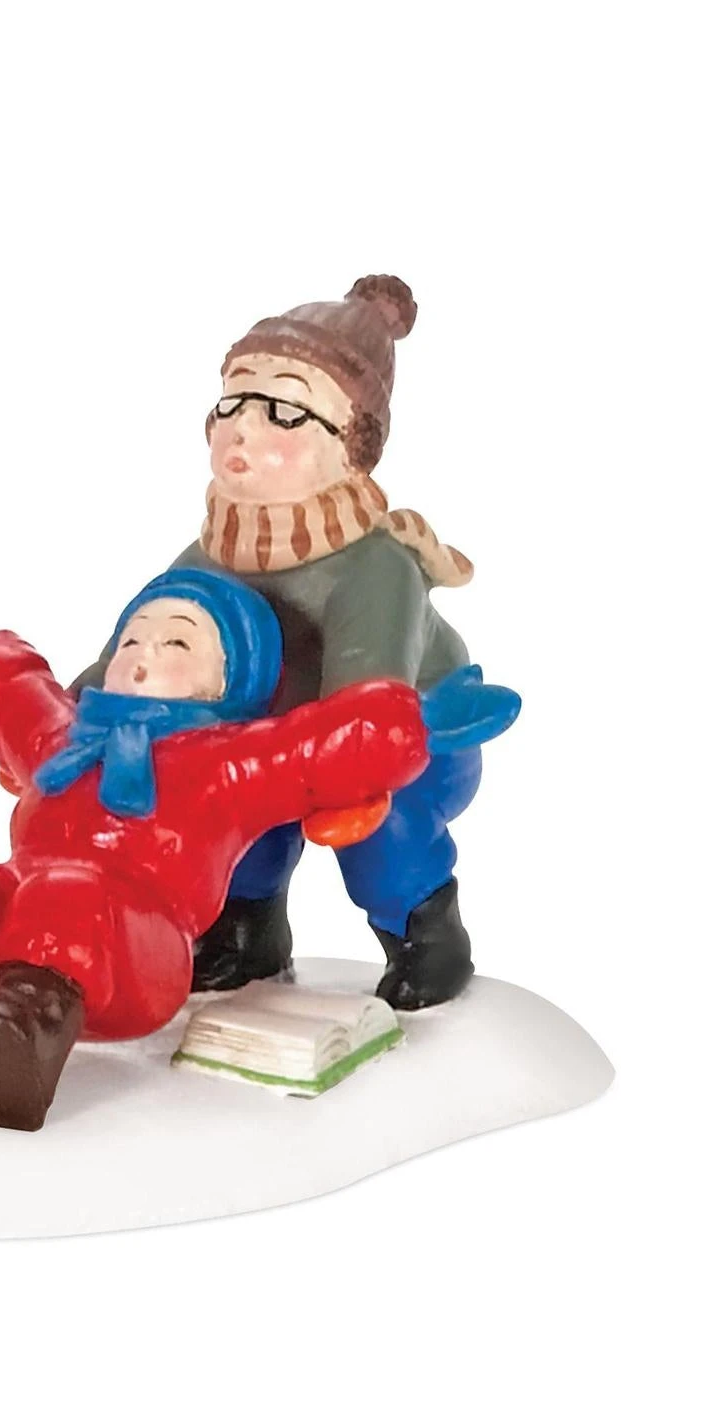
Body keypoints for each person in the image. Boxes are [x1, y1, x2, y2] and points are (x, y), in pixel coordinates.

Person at [0, 569, 516, 1130]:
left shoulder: (222, 760)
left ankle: (23, 1040)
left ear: (229, 679)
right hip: (23, 914)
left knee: (69, 895)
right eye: (132, 641)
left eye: (177, 645)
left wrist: (415, 723)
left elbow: (313, 751)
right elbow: (12, 696)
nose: (142, 658)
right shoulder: (65, 736)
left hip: (131, 954)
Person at [76, 274, 493, 1009]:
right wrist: (77, 713)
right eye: (232, 403)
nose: (242, 429)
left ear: (351, 447)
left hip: (406, 740)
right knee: (226, 810)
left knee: (379, 829)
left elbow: (370, 700)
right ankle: (247, 929)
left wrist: (334, 763)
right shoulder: (212, 553)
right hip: (272, 739)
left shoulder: (375, 565)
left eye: (284, 411)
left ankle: (425, 932)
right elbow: (147, 635)